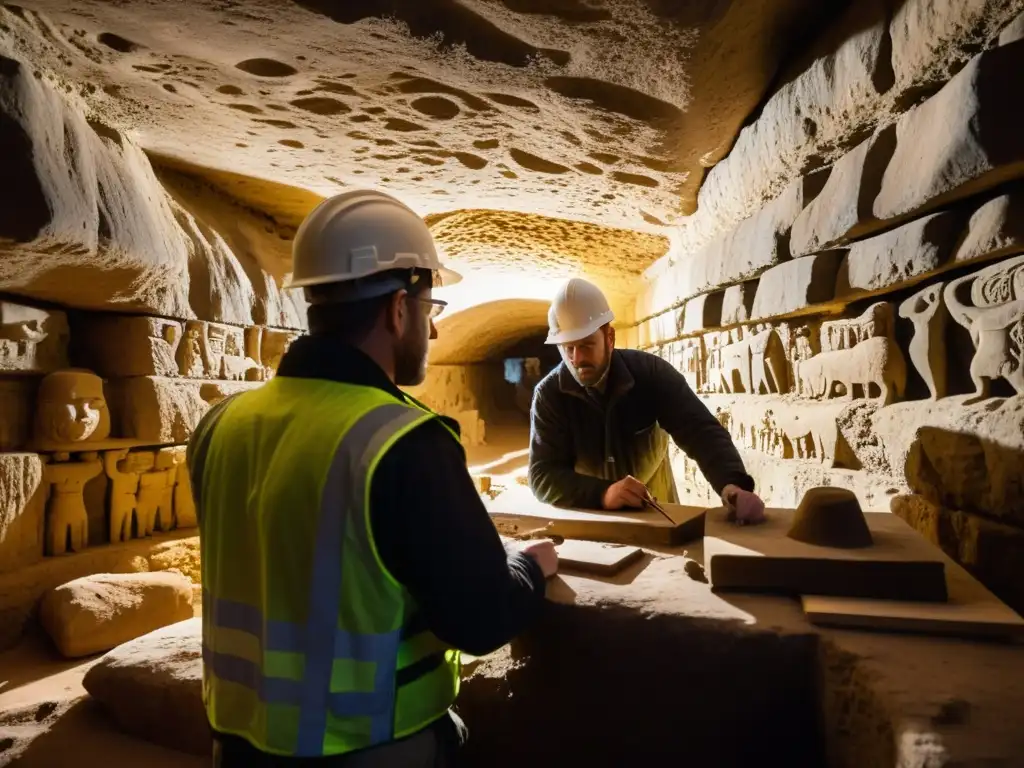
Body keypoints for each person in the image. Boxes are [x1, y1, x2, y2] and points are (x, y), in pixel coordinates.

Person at [187, 189, 558, 767]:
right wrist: (529, 568)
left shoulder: (220, 425)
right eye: (431, 310)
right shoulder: (403, 442)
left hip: (236, 745)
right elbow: (480, 619)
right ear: (398, 309)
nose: (434, 333)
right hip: (369, 746)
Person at [528, 277, 766, 523]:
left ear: (609, 338)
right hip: (591, 517)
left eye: (587, 345)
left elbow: (699, 430)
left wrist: (732, 484)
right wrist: (603, 493)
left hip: (657, 510)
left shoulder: (650, 373)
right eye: (569, 348)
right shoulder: (549, 396)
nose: (577, 359)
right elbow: (542, 476)